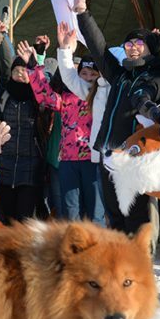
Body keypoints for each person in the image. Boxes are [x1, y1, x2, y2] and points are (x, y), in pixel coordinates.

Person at [72, 0, 160, 233]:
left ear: (148, 48)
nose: (132, 46)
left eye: (139, 43)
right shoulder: (120, 75)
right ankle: (119, 268)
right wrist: (82, 12)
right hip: (108, 152)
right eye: (128, 44)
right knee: (113, 217)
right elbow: (99, 48)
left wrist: (146, 106)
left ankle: (137, 267)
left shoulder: (154, 72)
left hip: (133, 155)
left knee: (135, 218)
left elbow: (145, 94)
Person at [0, 40, 59, 223]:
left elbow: (45, 83)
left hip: (31, 167)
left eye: (24, 72)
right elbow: (6, 60)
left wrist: (36, 58)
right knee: (5, 218)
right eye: (17, 71)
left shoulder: (37, 98)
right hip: (6, 165)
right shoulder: (4, 95)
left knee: (24, 220)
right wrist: (2, 36)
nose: (20, 75)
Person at [52, 21, 106, 223]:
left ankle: (97, 251)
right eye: (84, 73)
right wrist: (35, 64)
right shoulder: (68, 95)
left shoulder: (104, 93)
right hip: (68, 158)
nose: (88, 77)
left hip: (93, 158)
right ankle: (72, 251)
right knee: (70, 210)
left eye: (93, 74)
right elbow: (45, 96)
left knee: (96, 211)